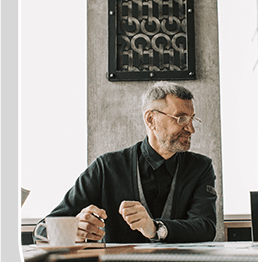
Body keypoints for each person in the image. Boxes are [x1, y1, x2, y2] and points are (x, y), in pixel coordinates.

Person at [36, 82, 217, 243]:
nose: (191, 129)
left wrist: (155, 229)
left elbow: (206, 227)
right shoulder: (106, 167)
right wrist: (74, 230)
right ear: (151, 119)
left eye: (192, 119)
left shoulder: (201, 168)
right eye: (181, 119)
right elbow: (41, 231)